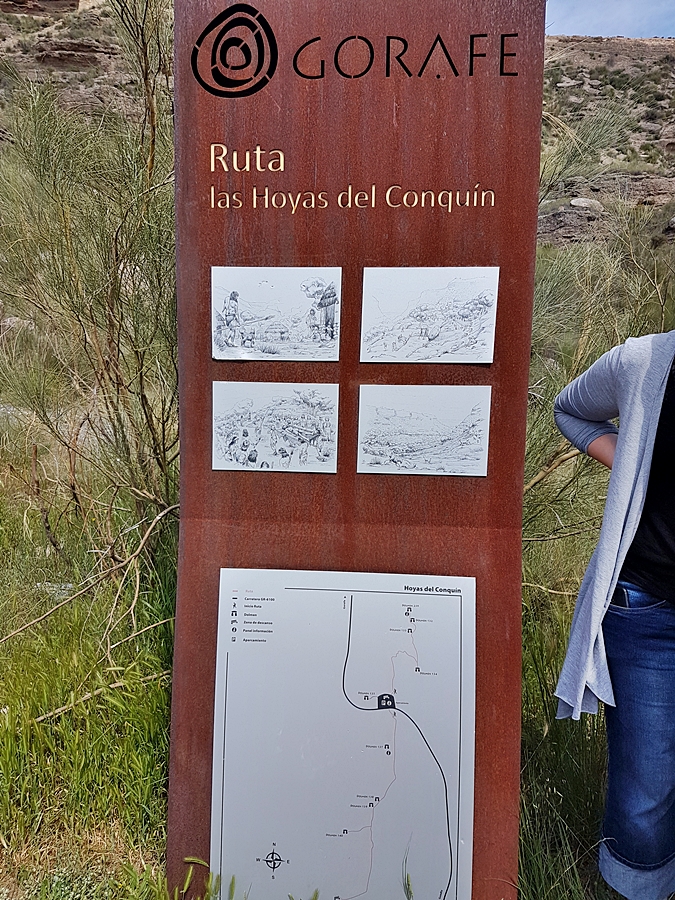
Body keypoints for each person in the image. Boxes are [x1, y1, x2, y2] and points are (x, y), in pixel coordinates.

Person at [554, 329, 675, 900]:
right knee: (644, 795)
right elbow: (570, 411)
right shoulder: (644, 361)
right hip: (647, 610)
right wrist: (631, 465)